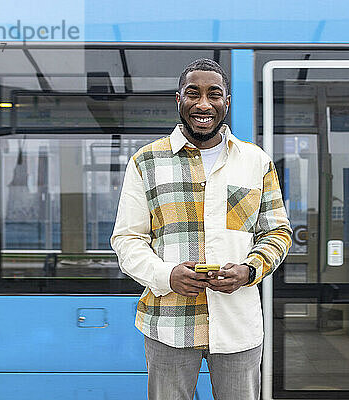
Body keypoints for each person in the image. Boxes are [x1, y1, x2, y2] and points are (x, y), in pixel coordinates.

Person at [111, 58, 292, 400]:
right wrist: (167, 275)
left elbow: (277, 233)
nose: (203, 103)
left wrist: (248, 270)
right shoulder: (146, 161)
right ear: (178, 99)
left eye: (214, 94)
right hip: (169, 323)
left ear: (226, 101)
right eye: (193, 93)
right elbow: (128, 239)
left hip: (237, 324)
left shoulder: (256, 161)